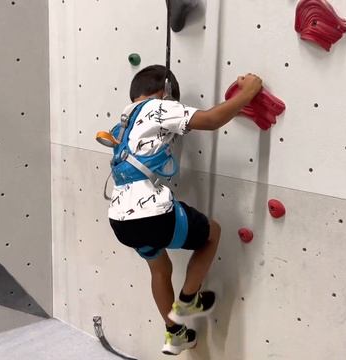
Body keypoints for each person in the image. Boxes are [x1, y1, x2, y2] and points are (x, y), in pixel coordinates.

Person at [107, 65, 263, 356]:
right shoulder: (158, 107)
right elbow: (212, 119)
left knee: (160, 268)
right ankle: (189, 299)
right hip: (151, 214)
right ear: (165, 92)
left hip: (121, 220)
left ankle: (175, 334)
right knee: (212, 233)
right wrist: (248, 93)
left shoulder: (123, 121)